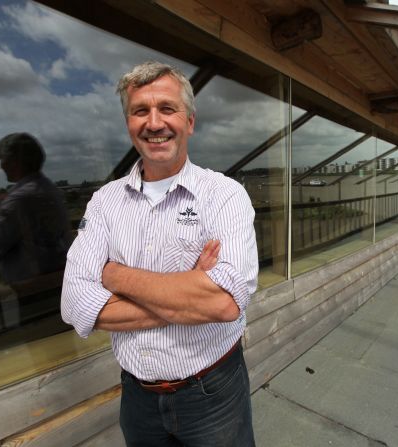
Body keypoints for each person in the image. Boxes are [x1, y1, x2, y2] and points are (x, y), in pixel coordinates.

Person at [61, 61, 258, 446]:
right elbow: (75, 304)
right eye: (140, 111)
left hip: (212, 392)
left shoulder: (224, 195)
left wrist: (115, 276)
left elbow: (223, 303)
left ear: (190, 122)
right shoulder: (104, 201)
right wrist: (185, 295)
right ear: (129, 123)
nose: (154, 123)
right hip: (137, 397)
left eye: (167, 108)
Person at [0, 133, 71, 322]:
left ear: (16, 160)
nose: (1, 165)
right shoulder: (50, 189)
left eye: (3, 159)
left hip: (35, 292)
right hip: (59, 283)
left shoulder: (20, 199)